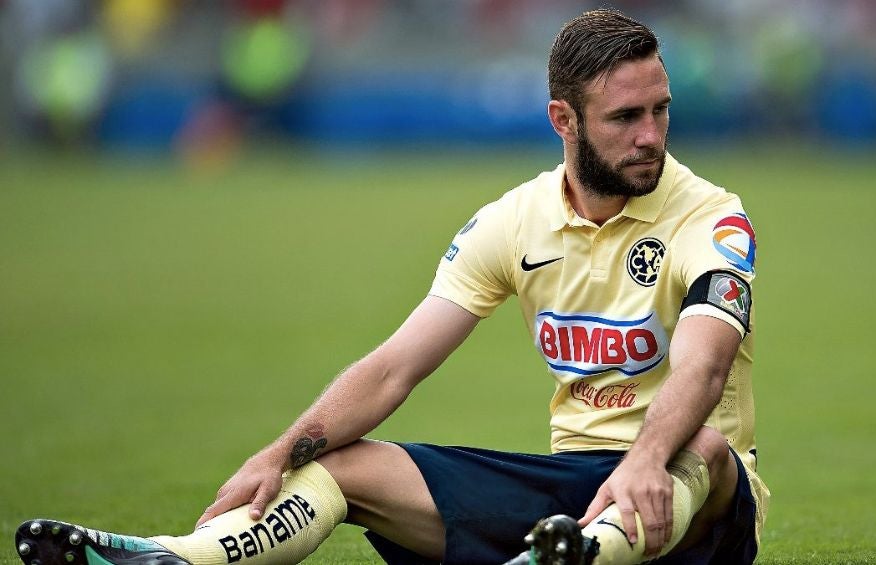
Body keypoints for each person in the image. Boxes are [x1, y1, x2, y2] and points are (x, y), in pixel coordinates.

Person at [15, 9, 768, 565]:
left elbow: (702, 368)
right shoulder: (514, 221)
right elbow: (393, 368)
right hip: (567, 494)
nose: (650, 136)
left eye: (660, 111)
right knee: (335, 465)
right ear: (562, 120)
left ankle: (577, 551)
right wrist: (280, 451)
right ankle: (175, 557)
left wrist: (643, 459)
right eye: (626, 117)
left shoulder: (713, 218)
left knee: (702, 448)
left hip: (695, 503)